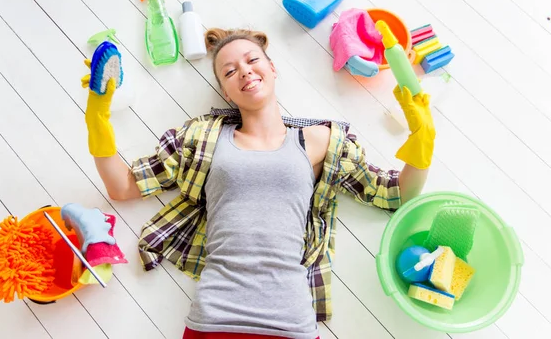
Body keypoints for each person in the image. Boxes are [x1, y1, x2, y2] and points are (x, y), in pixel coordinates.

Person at [81, 28, 436, 339]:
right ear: (225, 92)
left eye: (253, 60)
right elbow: (123, 187)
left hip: (291, 319)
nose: (245, 72)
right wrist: (98, 116)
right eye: (230, 71)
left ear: (272, 68)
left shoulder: (322, 141)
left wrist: (423, 135)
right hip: (215, 318)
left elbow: (396, 195)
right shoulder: (201, 138)